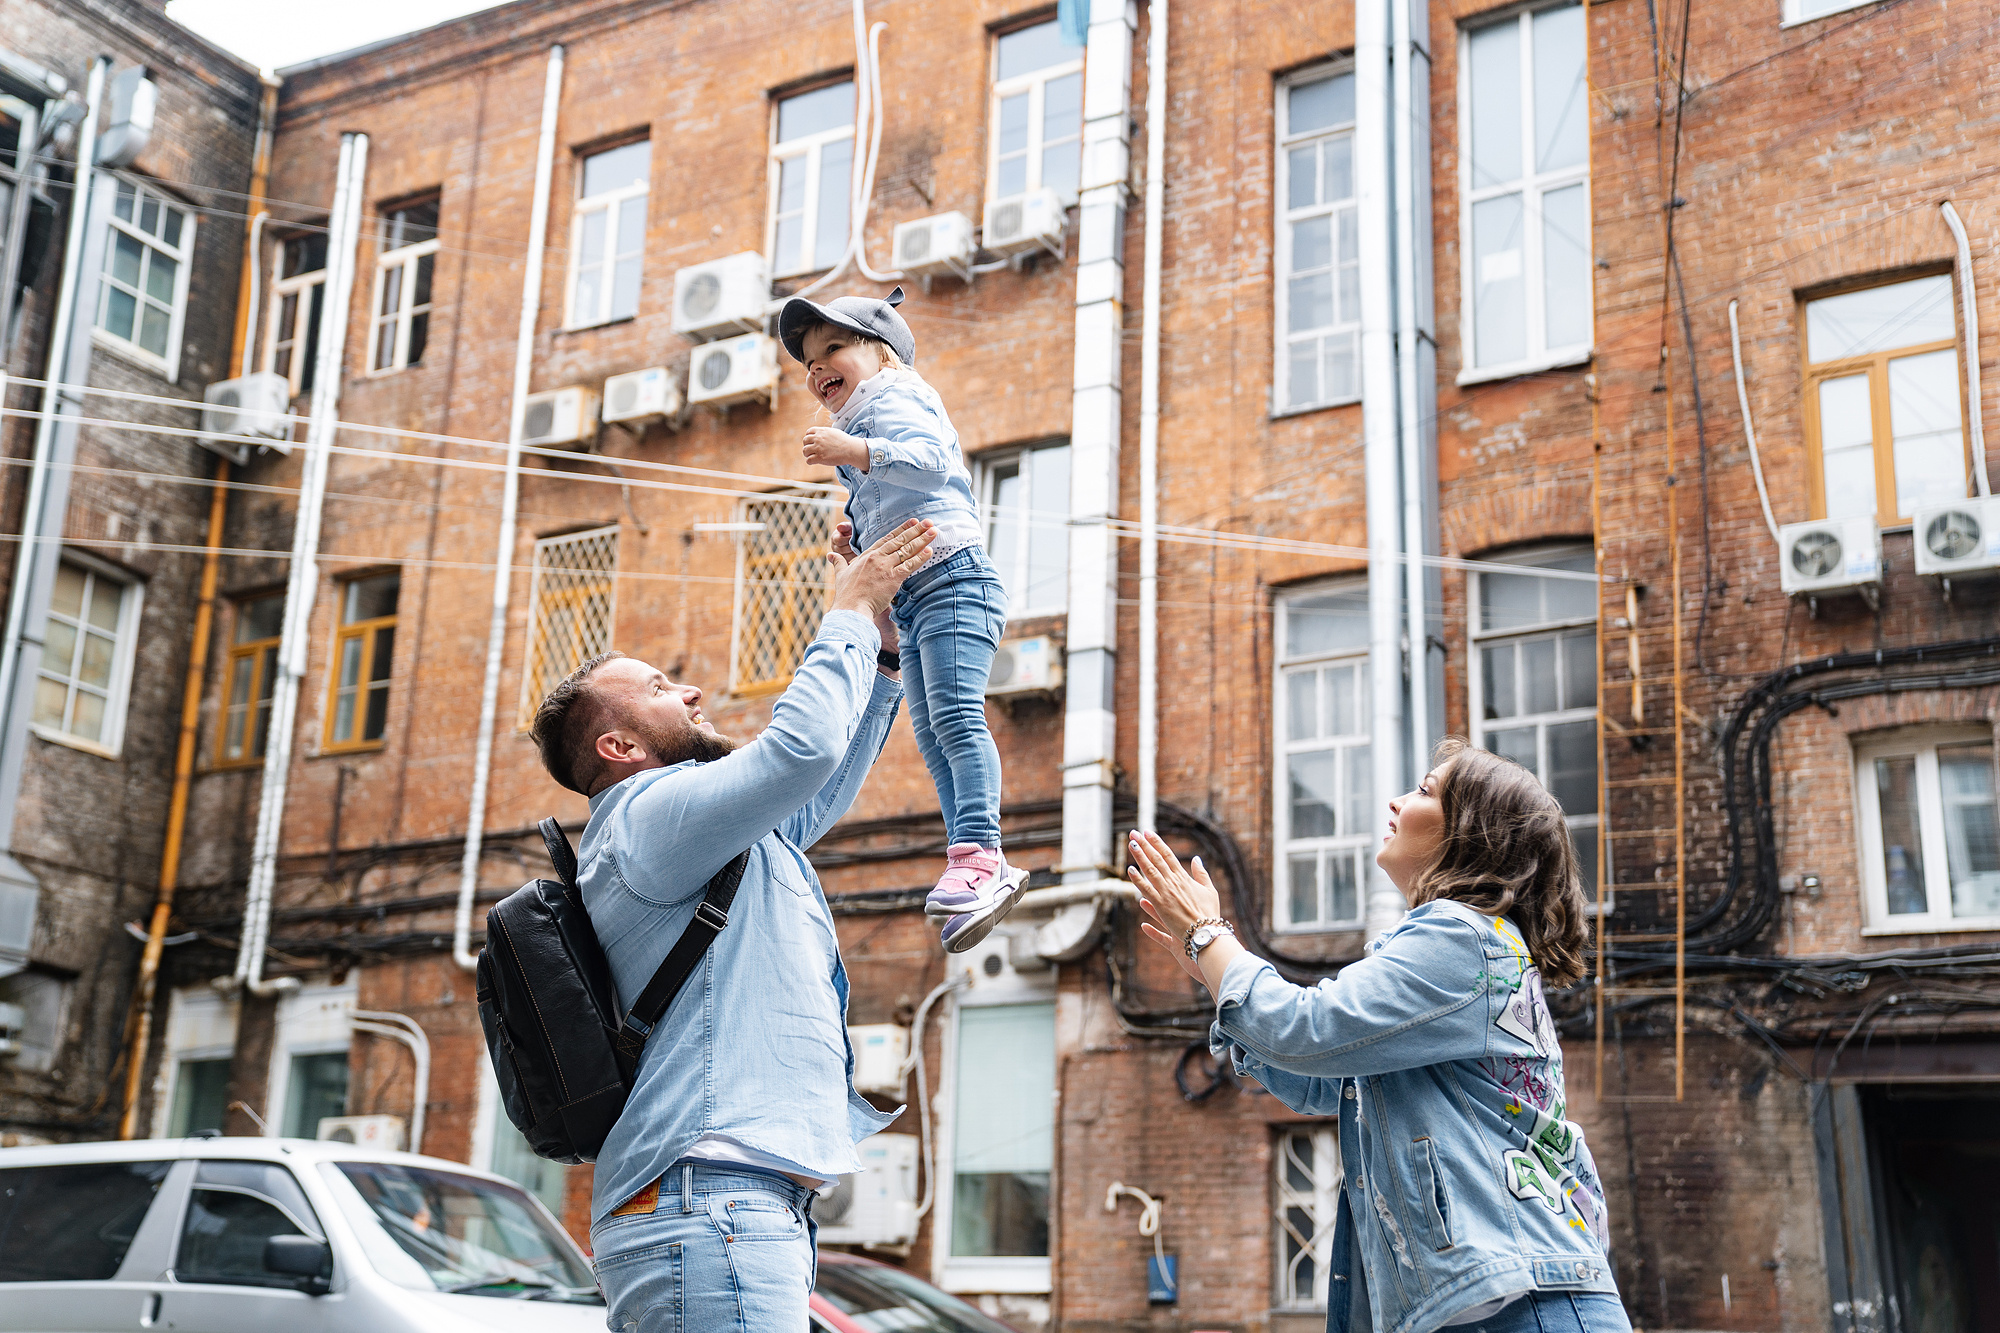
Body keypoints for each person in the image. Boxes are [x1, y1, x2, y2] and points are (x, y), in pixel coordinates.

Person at [527, 518, 936, 1333]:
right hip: (706, 1204)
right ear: (620, 744)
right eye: (659, 687)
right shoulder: (647, 814)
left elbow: (812, 790)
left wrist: (883, 653)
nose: (690, 692)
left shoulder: (701, 832)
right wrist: (847, 607)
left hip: (716, 1203)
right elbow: (801, 751)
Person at [1125, 738, 1630, 1333]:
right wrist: (1215, 972)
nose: (1394, 802)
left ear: (1472, 833)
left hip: (1529, 1305)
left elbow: (1306, 1029)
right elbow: (1320, 1080)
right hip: (1505, 1303)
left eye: (1423, 791)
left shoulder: (1462, 938)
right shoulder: (1460, 950)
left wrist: (1211, 937)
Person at [777, 286, 1026, 953]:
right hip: (915, 597)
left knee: (954, 718)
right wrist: (856, 547)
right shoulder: (861, 421)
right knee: (933, 729)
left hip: (952, 578)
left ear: (882, 355)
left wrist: (855, 453)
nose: (817, 367)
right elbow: (893, 501)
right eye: (808, 360)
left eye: (834, 347)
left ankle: (984, 854)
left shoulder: (894, 398)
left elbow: (934, 463)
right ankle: (969, 855)